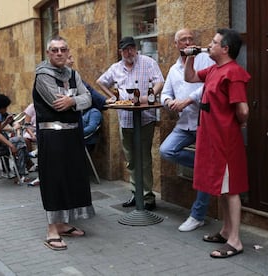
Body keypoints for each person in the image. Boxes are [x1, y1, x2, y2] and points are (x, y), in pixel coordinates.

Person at [184, 28, 250, 258]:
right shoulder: (214, 69)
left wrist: (235, 123)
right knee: (222, 189)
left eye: (214, 42)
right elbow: (190, 77)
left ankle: (235, 241)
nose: (209, 45)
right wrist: (189, 56)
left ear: (226, 49)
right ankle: (225, 231)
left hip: (225, 139)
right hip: (212, 137)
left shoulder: (234, 73)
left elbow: (243, 109)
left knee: (230, 190)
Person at [33, 36, 94, 251]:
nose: (59, 53)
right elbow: (56, 103)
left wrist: (73, 100)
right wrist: (75, 100)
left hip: (72, 135)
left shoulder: (73, 74)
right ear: (48, 53)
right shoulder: (42, 75)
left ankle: (62, 223)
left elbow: (89, 98)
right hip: (52, 136)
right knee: (53, 181)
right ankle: (52, 229)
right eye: (54, 50)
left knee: (71, 178)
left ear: (68, 52)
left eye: (63, 50)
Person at [96, 36, 164, 211]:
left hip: (145, 117)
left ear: (136, 48)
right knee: (131, 159)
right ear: (121, 51)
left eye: (132, 48)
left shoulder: (148, 62)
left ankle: (148, 197)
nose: (129, 52)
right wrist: (111, 96)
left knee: (145, 158)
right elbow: (100, 81)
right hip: (125, 119)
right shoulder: (116, 68)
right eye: (125, 49)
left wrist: (149, 97)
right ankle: (136, 193)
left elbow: (160, 81)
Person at [160, 28, 215, 232]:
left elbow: (210, 84)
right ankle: (205, 167)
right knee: (166, 150)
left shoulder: (205, 59)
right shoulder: (173, 69)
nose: (188, 42)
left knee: (204, 170)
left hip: (204, 122)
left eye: (191, 38)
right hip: (184, 124)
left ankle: (197, 215)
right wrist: (169, 102)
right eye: (183, 39)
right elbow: (164, 94)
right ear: (176, 44)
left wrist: (189, 100)